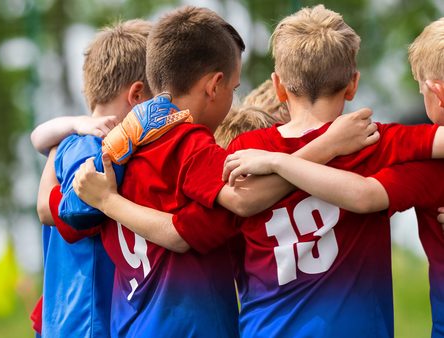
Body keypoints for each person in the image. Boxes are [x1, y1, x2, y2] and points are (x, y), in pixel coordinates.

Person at [67, 6, 378, 336]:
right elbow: (242, 201)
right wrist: (327, 145)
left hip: (128, 325)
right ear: (214, 86)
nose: (233, 98)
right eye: (233, 88)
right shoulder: (191, 147)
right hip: (188, 328)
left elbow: (62, 214)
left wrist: (67, 142)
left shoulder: (117, 150)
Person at [220, 17, 444, 337]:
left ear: (279, 86)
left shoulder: (249, 149)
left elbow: (235, 222)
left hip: (267, 329)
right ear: (353, 84)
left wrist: (279, 161)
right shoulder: (373, 141)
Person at [27, 19, 154, 338]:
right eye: (162, 99)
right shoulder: (92, 146)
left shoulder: (75, 141)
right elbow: (72, 212)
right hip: (88, 320)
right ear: (137, 95)